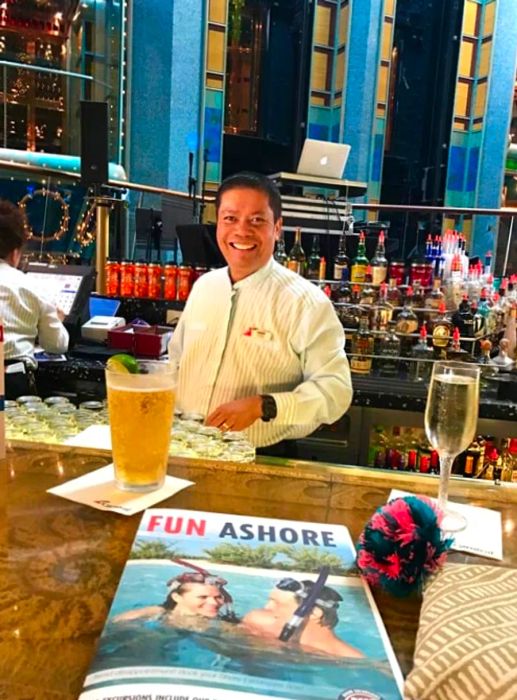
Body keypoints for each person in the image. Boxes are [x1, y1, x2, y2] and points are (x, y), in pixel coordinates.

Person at [168, 172, 353, 450]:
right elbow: (177, 362)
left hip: (260, 454)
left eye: (257, 220)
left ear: (277, 228)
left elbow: (335, 391)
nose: (242, 231)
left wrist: (264, 405)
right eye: (230, 218)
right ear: (217, 224)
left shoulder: (305, 302)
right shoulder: (204, 287)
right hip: (186, 447)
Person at [0, 199, 68, 398]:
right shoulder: (32, 286)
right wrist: (58, 321)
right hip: (13, 383)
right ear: (15, 253)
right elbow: (56, 345)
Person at [241, 577, 364, 659]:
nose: (266, 607)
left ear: (315, 613)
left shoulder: (347, 659)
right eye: (269, 601)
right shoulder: (258, 623)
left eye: (277, 604)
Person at [113, 571, 234, 626]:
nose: (214, 602)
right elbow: (117, 622)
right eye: (203, 597)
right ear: (177, 597)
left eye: (218, 597)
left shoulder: (223, 624)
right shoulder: (157, 613)